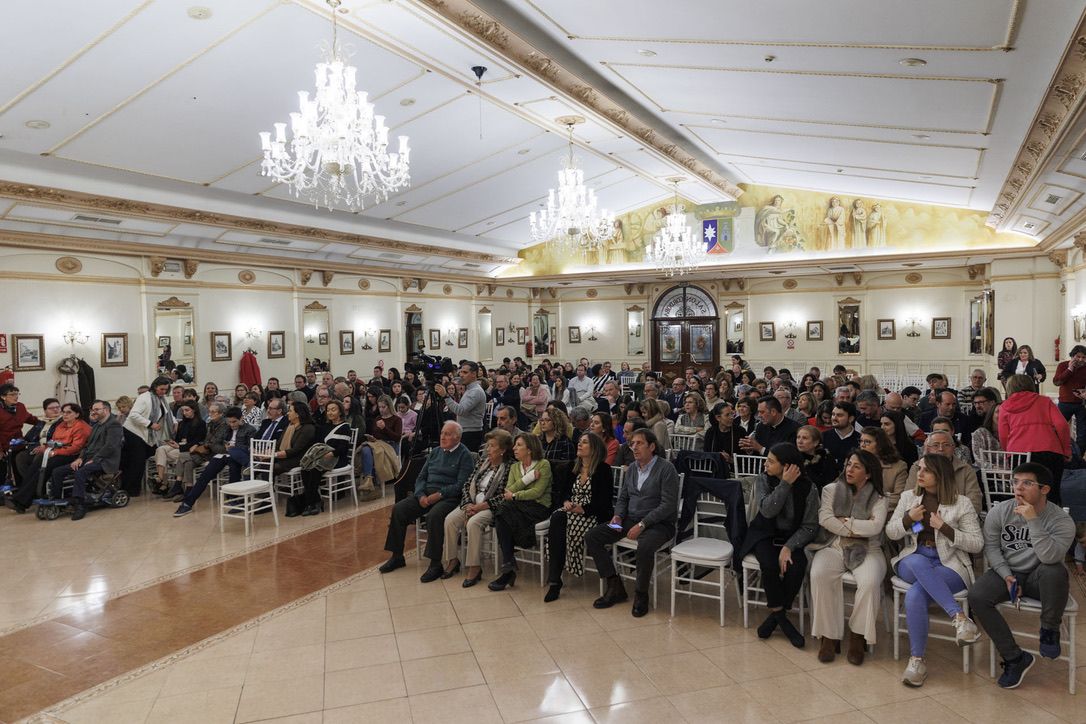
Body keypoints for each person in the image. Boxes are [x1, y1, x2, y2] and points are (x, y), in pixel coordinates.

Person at [967, 462, 1076, 689]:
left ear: (1044, 489)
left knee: (1054, 570)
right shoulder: (1000, 511)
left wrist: (1032, 520)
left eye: (1027, 483)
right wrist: (1006, 575)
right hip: (1009, 571)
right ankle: (1015, 658)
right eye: (1015, 482)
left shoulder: (1061, 520)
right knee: (977, 596)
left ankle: (1049, 629)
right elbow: (993, 549)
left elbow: (1049, 557)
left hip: (1041, 577)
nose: (1018, 488)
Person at [885, 454, 983, 687]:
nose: (919, 474)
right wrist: (910, 520)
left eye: (926, 471)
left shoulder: (961, 503)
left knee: (917, 593)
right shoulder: (909, 498)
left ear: (940, 475)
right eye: (919, 468)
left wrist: (945, 528)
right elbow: (891, 532)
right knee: (919, 564)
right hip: (913, 557)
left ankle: (917, 661)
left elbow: (977, 544)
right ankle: (958, 617)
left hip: (949, 563)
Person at [586, 428, 679, 617]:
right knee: (593, 536)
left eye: (639, 443)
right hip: (628, 520)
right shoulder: (632, 468)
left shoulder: (666, 469)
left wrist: (643, 524)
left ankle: (641, 594)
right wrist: (619, 516)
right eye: (632, 444)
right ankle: (614, 585)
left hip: (659, 525)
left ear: (652, 446)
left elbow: (668, 505)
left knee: (644, 546)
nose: (634, 447)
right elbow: (623, 498)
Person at [809, 449, 888, 665]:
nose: (849, 469)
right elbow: (825, 519)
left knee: (870, 582)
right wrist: (855, 528)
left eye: (856, 466)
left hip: (869, 548)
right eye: (848, 464)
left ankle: (857, 636)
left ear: (868, 473)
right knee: (819, 574)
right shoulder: (831, 490)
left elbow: (876, 527)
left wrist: (846, 522)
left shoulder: (879, 498)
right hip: (833, 544)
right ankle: (829, 636)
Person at [737, 442, 819, 648]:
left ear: (788, 466)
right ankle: (781, 618)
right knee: (770, 565)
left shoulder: (809, 488)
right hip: (764, 534)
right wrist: (785, 484)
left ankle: (775, 617)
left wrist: (789, 546)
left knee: (796, 567)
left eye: (771, 462)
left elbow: (810, 527)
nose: (765, 464)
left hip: (793, 537)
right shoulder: (764, 480)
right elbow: (767, 511)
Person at [380, 421, 474, 581]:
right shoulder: (435, 452)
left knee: (434, 517)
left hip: (449, 498)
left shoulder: (465, 455)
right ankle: (397, 556)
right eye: (442, 433)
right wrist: (420, 495)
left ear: (458, 438)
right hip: (426, 494)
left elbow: (461, 485)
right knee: (399, 509)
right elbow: (421, 477)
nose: (443, 437)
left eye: (448, 434)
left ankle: (435, 564)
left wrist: (438, 495)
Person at [544, 432, 614, 602]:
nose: (579, 445)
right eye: (579, 442)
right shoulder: (572, 467)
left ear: (594, 448)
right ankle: (555, 580)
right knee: (558, 517)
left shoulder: (603, 470)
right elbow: (563, 493)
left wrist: (582, 509)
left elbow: (604, 503)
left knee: (560, 521)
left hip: (593, 514)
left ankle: (555, 579)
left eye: (584, 443)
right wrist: (567, 502)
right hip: (571, 511)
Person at [441, 429, 514, 586]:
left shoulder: (510, 467)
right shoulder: (483, 463)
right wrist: (468, 504)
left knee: (473, 523)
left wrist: (480, 507)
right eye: (487, 445)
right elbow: (468, 484)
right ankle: (453, 560)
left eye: (492, 446)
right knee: (450, 520)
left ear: (503, 450)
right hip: (472, 503)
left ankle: (474, 567)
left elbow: (504, 496)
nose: (487, 449)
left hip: (490, 507)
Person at [488, 433, 553, 591]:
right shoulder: (515, 466)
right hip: (518, 507)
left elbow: (537, 493)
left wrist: (515, 495)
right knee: (502, 513)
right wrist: (528, 478)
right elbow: (507, 490)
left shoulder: (543, 464)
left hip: (538, 507)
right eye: (515, 445)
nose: (514, 448)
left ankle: (508, 568)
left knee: (502, 513)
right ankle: (508, 566)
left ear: (529, 449)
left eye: (519, 445)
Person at [999, 374, 1071, 504]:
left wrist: (1008, 455)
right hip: (1050, 451)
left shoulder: (1005, 406)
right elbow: (1062, 425)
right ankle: (1053, 522)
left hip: (1019, 454)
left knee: (1023, 495)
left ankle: (1026, 521)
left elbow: (1004, 435)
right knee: (1051, 493)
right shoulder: (1045, 401)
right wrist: (1066, 450)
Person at [47, 400, 123, 521]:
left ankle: (80, 504)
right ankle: (57, 500)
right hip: (90, 458)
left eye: (97, 409)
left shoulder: (114, 425)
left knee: (81, 472)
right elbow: (87, 446)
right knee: (58, 471)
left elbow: (110, 446)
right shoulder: (96, 425)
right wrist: (80, 458)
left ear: (106, 410)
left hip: (105, 461)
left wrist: (94, 459)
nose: (94, 412)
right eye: (93, 410)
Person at [173, 406, 256, 517]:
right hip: (222, 455)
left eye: (234, 421)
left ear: (241, 418)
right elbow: (214, 444)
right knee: (205, 475)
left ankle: (235, 500)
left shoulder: (249, 430)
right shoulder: (227, 428)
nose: (232, 424)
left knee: (234, 465)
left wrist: (233, 448)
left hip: (237, 457)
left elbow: (250, 448)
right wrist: (226, 449)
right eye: (229, 422)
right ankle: (188, 503)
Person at [10, 402, 89, 514]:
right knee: (35, 466)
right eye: (64, 412)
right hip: (57, 452)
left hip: (72, 456)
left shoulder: (81, 426)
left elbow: (75, 448)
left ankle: (22, 501)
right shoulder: (62, 425)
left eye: (69, 412)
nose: (65, 415)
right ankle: (22, 498)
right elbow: (53, 441)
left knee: (44, 467)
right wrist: (47, 447)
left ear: (77, 414)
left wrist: (55, 452)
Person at [120, 377, 174, 496]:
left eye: (166, 389)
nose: (164, 392)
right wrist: (150, 424)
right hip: (134, 431)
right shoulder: (144, 397)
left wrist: (174, 422)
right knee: (136, 461)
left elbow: (167, 413)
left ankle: (151, 483)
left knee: (145, 457)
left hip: (145, 433)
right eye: (162, 389)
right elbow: (133, 415)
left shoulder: (161, 398)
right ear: (155, 387)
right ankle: (131, 490)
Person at [152, 401, 205, 496]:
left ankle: (163, 483)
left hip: (188, 449)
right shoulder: (182, 423)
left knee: (163, 455)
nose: (184, 413)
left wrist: (180, 446)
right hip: (179, 446)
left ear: (194, 410)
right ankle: (161, 479)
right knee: (160, 449)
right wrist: (172, 442)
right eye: (183, 410)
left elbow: (198, 441)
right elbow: (177, 439)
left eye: (187, 410)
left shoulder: (201, 423)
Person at [435, 361, 485, 451]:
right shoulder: (470, 389)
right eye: (461, 372)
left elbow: (460, 410)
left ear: (474, 374)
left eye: (465, 372)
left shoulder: (475, 391)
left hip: (471, 432)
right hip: (466, 430)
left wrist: (445, 396)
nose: (461, 375)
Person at [1052, 344, 1086, 454]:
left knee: (1083, 433)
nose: (1081, 359)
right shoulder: (1063, 365)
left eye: (1084, 357)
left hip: (1082, 403)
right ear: (1072, 356)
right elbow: (1057, 382)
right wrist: (1069, 370)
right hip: (1064, 403)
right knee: (1057, 429)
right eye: (1078, 356)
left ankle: (1079, 458)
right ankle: (1056, 453)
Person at [795, 425, 839, 490]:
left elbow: (833, 480)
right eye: (798, 437)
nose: (800, 441)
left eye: (805, 438)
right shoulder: (795, 460)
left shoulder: (826, 457)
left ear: (816, 442)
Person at [822, 401, 860, 469]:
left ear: (851, 419)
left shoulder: (860, 440)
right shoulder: (823, 437)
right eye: (833, 414)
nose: (834, 418)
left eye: (839, 415)